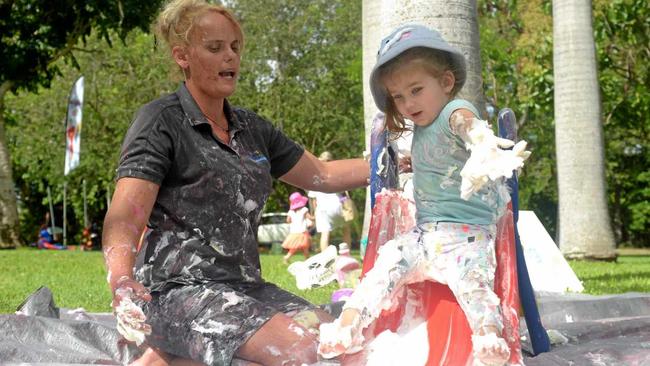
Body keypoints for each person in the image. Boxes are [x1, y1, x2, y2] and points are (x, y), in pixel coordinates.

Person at [101, 1, 369, 365]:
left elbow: (322, 175)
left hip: (245, 289)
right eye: (215, 48)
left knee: (343, 343)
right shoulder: (161, 121)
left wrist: (394, 160)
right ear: (182, 56)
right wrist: (121, 280)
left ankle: (169, 357)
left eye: (235, 48)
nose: (230, 57)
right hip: (177, 293)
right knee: (306, 351)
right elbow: (126, 215)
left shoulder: (251, 128)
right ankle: (171, 348)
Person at [317, 24, 530, 365]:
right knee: (385, 266)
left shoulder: (452, 111)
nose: (406, 103)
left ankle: (488, 337)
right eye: (398, 97)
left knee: (474, 286)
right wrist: (408, 162)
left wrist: (478, 138)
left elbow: (466, 123)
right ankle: (348, 324)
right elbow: (438, 161)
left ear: (446, 83)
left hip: (467, 236)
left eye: (416, 90)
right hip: (424, 236)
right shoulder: (422, 126)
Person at [308, 151, 353, 252]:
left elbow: (313, 200)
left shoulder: (315, 176)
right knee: (346, 229)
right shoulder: (336, 174)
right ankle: (346, 254)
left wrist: (314, 213)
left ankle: (326, 258)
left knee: (325, 233)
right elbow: (343, 192)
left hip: (322, 209)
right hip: (337, 205)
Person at [281, 192, 314, 264]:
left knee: (296, 247)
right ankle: (306, 259)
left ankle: (306, 259)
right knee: (304, 246)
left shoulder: (290, 211)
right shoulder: (304, 210)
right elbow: (309, 217)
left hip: (294, 232)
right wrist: (314, 217)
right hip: (302, 232)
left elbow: (288, 220)